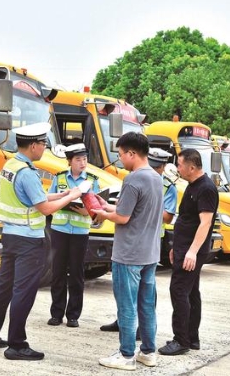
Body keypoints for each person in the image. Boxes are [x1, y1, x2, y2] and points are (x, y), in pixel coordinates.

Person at [0, 122, 83, 361]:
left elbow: (33, 197)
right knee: (23, 291)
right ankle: (17, 344)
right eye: (43, 144)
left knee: (2, 287)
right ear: (33, 145)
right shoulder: (28, 172)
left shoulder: (11, 165)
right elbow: (45, 208)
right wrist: (73, 197)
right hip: (29, 240)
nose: (44, 148)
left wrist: (62, 194)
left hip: (11, 236)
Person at [92, 132, 163, 371]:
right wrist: (107, 205)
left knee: (126, 306)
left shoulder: (132, 179)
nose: (120, 159)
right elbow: (135, 210)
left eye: (121, 154)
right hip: (149, 253)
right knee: (145, 305)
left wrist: (101, 213)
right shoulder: (155, 177)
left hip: (129, 254)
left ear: (132, 153)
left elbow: (122, 217)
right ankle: (148, 352)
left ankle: (125, 355)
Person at [99, 147, 177, 336]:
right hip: (144, 245)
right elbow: (127, 207)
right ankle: (145, 346)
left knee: (139, 300)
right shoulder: (152, 180)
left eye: (121, 154)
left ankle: (129, 349)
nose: (156, 169)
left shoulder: (163, 185)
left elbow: (166, 216)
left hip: (143, 244)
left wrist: (105, 213)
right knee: (133, 298)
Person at [158, 148, 219, 356]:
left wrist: (192, 252)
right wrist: (177, 246)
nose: (178, 168)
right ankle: (192, 337)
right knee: (191, 292)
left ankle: (181, 340)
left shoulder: (206, 189)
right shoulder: (193, 186)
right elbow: (186, 219)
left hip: (193, 250)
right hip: (185, 247)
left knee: (179, 291)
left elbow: (205, 223)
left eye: (181, 164)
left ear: (192, 167)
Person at [47, 143, 100, 328]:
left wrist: (89, 212)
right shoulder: (59, 177)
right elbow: (50, 198)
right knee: (57, 272)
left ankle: (73, 315)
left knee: (77, 274)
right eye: (78, 159)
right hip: (60, 230)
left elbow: (97, 207)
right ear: (69, 161)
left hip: (80, 232)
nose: (82, 163)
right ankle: (56, 313)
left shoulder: (93, 180)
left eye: (85, 159)